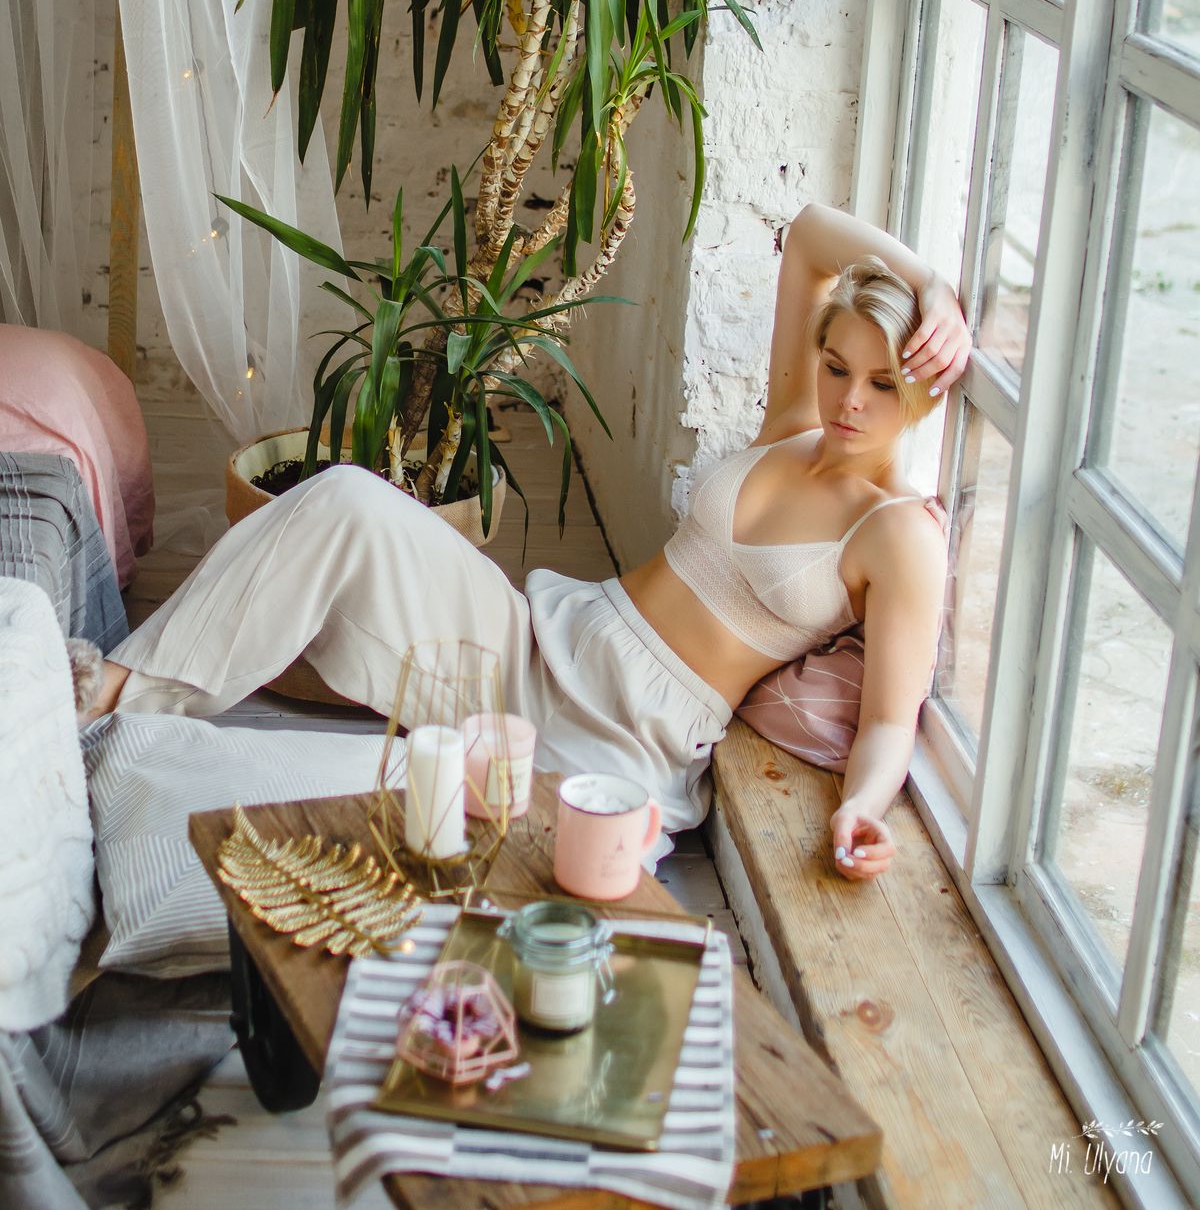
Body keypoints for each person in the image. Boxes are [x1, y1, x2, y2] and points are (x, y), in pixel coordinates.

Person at [88, 203, 970, 881]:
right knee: (346, 499)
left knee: (403, 831)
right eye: (837, 367)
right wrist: (930, 285)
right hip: (547, 640)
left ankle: (153, 807)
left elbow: (891, 720)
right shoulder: (793, 427)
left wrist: (861, 808)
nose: (850, 400)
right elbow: (810, 233)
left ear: (925, 387)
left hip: (626, 740)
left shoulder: (898, 533)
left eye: (883, 383)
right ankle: (108, 702)